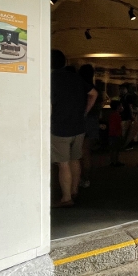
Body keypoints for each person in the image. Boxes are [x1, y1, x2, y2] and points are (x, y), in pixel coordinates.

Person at [51, 50, 98, 207]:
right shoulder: (76, 77)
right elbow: (94, 93)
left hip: (59, 128)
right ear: (64, 62)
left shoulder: (50, 79)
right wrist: (84, 111)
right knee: (75, 159)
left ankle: (66, 198)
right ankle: (74, 190)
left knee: (63, 163)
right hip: (79, 126)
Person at [78, 64, 101, 188]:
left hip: (83, 121)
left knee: (80, 152)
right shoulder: (95, 89)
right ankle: (86, 178)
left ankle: (82, 178)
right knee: (87, 152)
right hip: (93, 121)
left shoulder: (81, 87)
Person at [108, 100, 124, 167]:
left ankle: (112, 161)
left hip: (112, 134)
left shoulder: (112, 115)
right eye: (121, 106)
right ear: (118, 107)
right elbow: (114, 126)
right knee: (116, 149)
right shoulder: (116, 115)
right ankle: (115, 161)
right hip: (115, 135)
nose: (122, 107)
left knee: (113, 149)